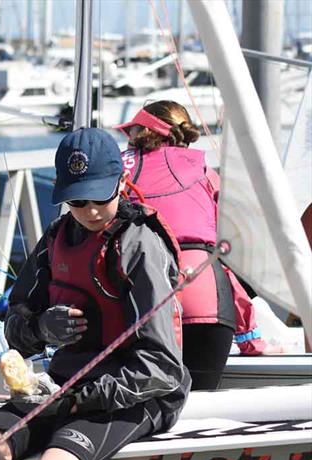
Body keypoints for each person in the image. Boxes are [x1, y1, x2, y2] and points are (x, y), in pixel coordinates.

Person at [0, 128, 190, 460]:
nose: (91, 210)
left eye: (101, 197)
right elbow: (14, 325)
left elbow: (161, 368)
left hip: (135, 395)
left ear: (121, 184)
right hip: (64, 386)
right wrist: (41, 327)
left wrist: (76, 400)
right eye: (78, 200)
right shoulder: (57, 238)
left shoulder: (139, 246)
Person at [115, 101, 277, 391]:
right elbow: (227, 260)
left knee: (144, 411)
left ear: (140, 133)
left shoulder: (119, 173)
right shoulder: (205, 173)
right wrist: (251, 341)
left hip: (144, 300)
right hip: (205, 296)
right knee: (199, 409)